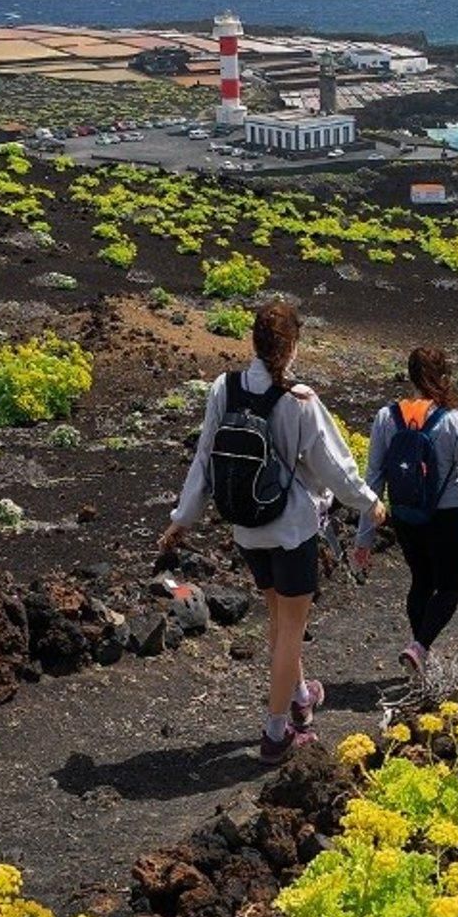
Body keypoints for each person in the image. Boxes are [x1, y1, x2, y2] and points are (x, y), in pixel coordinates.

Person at [160, 299, 387, 765]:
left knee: (277, 620)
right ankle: (277, 731)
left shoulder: (224, 388)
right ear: (292, 347)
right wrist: (370, 502)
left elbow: (204, 458)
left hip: (248, 529)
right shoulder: (301, 400)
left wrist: (182, 519)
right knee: (291, 630)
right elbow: (335, 467)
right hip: (292, 529)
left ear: (255, 342)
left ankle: (301, 696)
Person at [354, 346, 458, 674]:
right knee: (450, 585)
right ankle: (420, 646)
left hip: (404, 515)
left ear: (411, 376)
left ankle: (420, 656)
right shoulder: (453, 421)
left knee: (421, 580)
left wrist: (364, 537)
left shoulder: (387, 417)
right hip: (445, 516)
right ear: (444, 376)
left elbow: (373, 479)